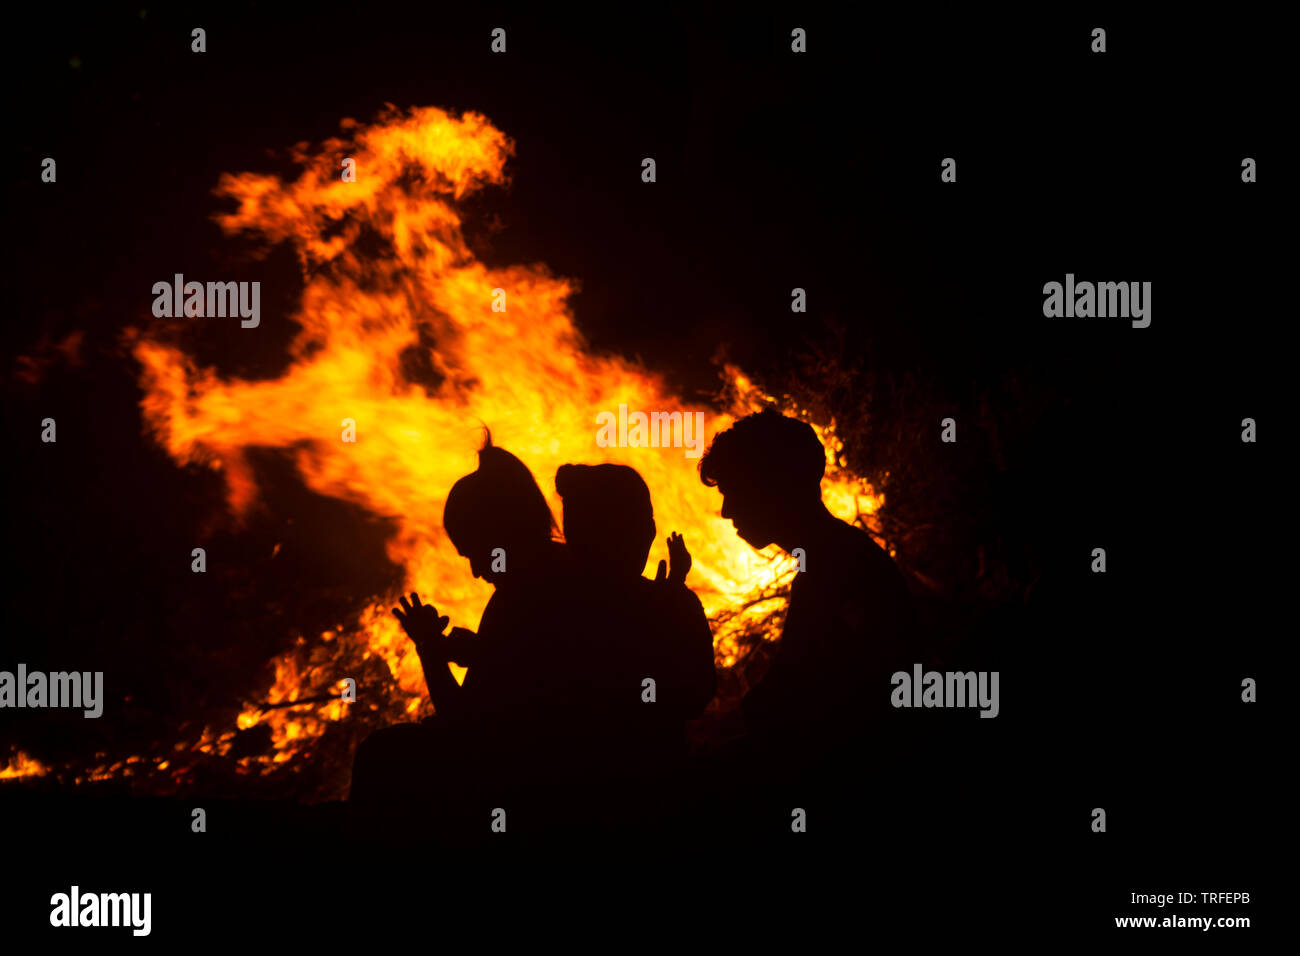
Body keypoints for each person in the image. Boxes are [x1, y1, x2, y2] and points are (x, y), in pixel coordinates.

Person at [697, 408, 917, 776]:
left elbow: (823, 698)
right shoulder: (828, 557)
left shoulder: (836, 565)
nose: (726, 510)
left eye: (735, 491)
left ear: (774, 486)